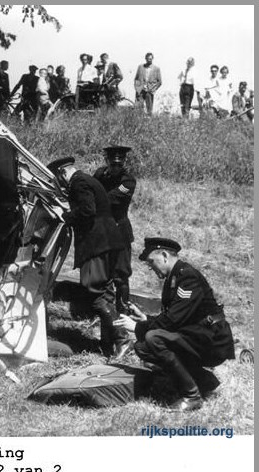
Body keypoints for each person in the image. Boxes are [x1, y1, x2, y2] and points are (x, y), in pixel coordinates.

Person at [114, 238, 235, 411]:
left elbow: (173, 320)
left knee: (153, 338)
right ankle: (204, 380)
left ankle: (192, 396)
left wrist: (137, 328)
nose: (150, 267)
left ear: (164, 255)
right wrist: (146, 319)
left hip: (212, 339)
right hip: (198, 334)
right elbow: (174, 317)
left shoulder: (187, 276)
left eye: (151, 262)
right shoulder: (175, 276)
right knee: (142, 347)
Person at [48, 158, 131, 359]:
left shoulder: (78, 182)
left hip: (97, 245)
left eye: (57, 179)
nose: (58, 184)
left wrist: (65, 216)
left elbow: (87, 209)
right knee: (107, 295)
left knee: (96, 295)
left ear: (62, 173)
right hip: (110, 243)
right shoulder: (87, 179)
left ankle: (122, 339)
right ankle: (107, 344)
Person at [93, 146, 136, 313]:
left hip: (119, 232)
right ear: (107, 161)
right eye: (113, 164)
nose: (116, 167)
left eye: (119, 164)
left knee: (121, 274)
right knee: (103, 273)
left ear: (124, 162)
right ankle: (106, 311)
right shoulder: (99, 174)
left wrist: (94, 197)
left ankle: (123, 311)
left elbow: (109, 199)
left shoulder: (128, 181)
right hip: (102, 231)